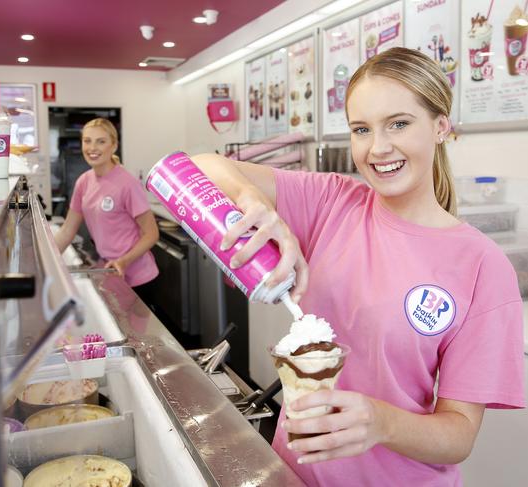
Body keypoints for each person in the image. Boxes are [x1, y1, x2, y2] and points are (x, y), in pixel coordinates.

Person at [192, 47, 525, 486]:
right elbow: (199, 166)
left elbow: (459, 433)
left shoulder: (482, 265)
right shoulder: (332, 201)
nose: (377, 148)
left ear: (441, 126)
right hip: (294, 473)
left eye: (399, 124)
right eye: (361, 129)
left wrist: (381, 422)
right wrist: (252, 199)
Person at [55, 118, 159, 304]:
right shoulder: (84, 182)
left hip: (138, 278)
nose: (92, 147)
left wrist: (124, 261)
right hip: (110, 272)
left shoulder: (127, 183)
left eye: (101, 141)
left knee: (137, 332)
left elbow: (151, 234)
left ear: (114, 145)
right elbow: (67, 230)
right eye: (87, 141)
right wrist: (45, 259)